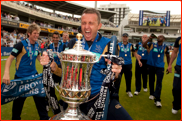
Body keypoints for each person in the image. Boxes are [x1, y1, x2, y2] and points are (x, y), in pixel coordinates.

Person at [40, 8, 132, 120]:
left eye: (91, 23)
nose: (86, 27)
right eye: (84, 23)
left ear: (99, 26)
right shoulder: (73, 43)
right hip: (75, 100)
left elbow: (114, 77)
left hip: (99, 98)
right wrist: (53, 67)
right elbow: (65, 74)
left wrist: (116, 72)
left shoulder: (109, 44)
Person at [2, 24, 50, 120]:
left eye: (38, 33)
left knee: (40, 97)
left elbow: (37, 57)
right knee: (18, 102)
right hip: (21, 77)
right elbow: (10, 59)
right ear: (29, 33)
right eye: (35, 33)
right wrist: (6, 73)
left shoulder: (37, 45)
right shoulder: (20, 44)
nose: (37, 35)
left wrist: (44, 61)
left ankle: (44, 118)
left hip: (34, 77)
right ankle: (15, 118)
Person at [143, 35, 170, 107]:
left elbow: (167, 56)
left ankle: (157, 100)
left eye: (161, 36)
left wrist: (169, 65)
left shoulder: (165, 47)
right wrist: (149, 39)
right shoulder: (152, 44)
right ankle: (152, 94)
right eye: (159, 36)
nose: (159, 37)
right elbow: (144, 45)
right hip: (151, 65)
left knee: (159, 82)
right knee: (151, 80)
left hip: (160, 67)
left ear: (163, 39)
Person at [116, 33, 142, 97]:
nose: (125, 38)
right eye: (124, 37)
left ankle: (129, 91)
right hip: (120, 64)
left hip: (128, 64)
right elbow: (116, 54)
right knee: (118, 78)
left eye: (126, 37)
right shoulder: (118, 45)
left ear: (128, 38)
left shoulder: (130, 45)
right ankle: (116, 92)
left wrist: (139, 60)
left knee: (128, 78)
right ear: (122, 37)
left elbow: (134, 53)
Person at [167, 36, 181, 114]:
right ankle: (176, 105)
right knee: (176, 88)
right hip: (179, 67)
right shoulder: (179, 39)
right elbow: (175, 52)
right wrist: (170, 64)